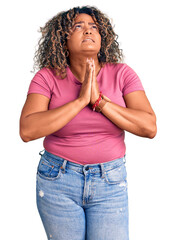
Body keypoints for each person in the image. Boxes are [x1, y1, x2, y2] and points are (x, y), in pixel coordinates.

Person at [19, 5, 157, 240]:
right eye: (78, 27)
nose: (88, 31)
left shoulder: (122, 74)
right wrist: (82, 99)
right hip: (57, 180)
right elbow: (28, 130)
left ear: (103, 38)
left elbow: (149, 127)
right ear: (63, 40)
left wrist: (99, 101)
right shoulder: (47, 77)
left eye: (94, 27)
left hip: (110, 181)